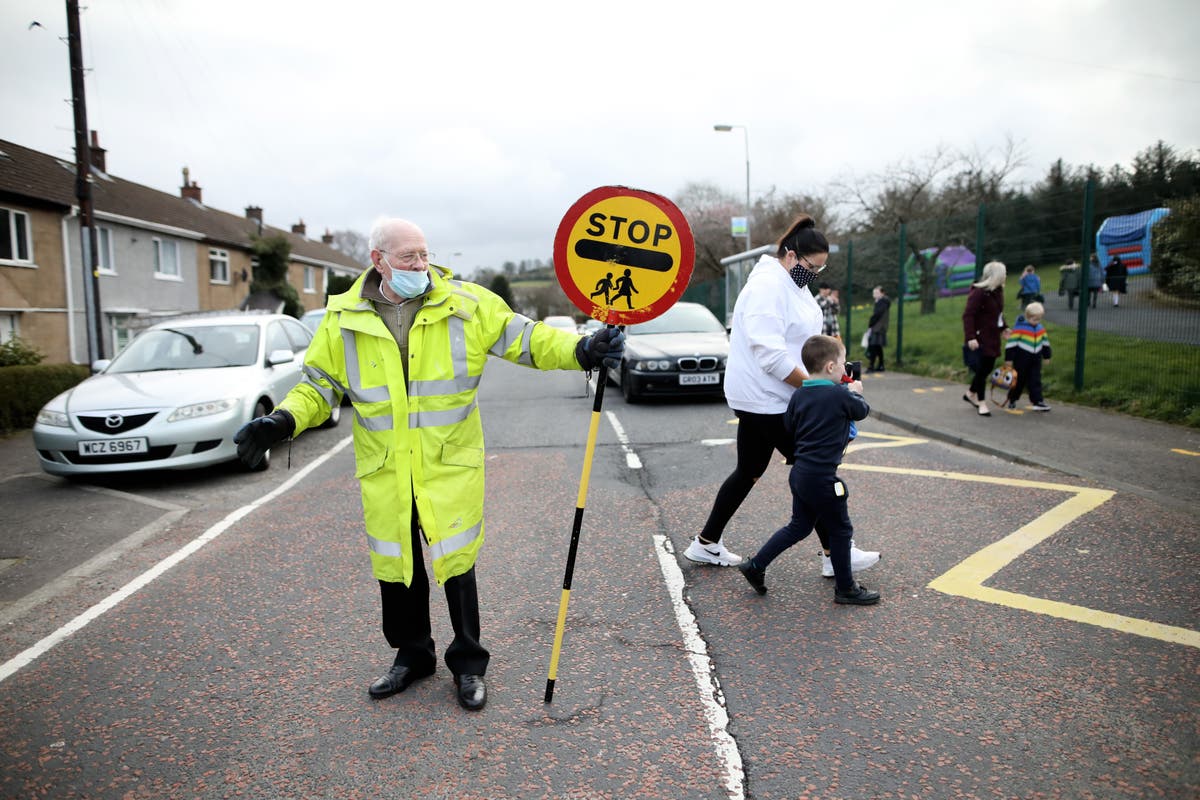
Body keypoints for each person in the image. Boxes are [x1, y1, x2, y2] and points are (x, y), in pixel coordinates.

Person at [233, 218, 625, 711]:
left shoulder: (466, 304)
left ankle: (469, 664)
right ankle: (412, 656)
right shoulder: (343, 319)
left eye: (424, 254)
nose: (421, 265)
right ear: (378, 261)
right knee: (398, 568)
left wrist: (582, 349)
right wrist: (282, 420)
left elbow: (526, 339)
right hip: (386, 469)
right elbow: (319, 385)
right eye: (408, 257)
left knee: (457, 563)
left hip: (447, 465)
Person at [683, 214, 880, 578]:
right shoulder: (767, 288)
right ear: (790, 256)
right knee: (817, 471)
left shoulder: (792, 283)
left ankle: (706, 543)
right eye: (811, 266)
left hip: (767, 397)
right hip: (767, 397)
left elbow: (804, 338)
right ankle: (835, 554)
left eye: (821, 269)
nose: (814, 274)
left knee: (749, 471)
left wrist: (832, 362)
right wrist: (820, 389)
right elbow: (770, 353)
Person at [736, 335, 880, 605]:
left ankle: (755, 565)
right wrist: (856, 391)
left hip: (800, 473)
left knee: (799, 526)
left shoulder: (800, 394)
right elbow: (861, 410)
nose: (844, 370)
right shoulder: (840, 394)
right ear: (829, 367)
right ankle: (846, 588)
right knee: (840, 531)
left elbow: (789, 426)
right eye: (841, 365)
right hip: (823, 477)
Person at [962, 261, 1008, 417]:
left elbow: (998, 314)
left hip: (993, 336)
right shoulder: (979, 292)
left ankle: (970, 393)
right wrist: (971, 337)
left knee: (987, 368)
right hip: (980, 337)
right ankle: (981, 402)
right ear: (996, 276)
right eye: (1003, 273)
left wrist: (1004, 328)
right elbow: (968, 315)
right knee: (982, 371)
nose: (1006, 276)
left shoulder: (998, 292)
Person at [1003, 301, 1052, 412]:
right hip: (1021, 360)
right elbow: (1011, 344)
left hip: (1035, 360)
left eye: (1039, 319)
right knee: (1019, 381)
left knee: (1035, 379)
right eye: (1034, 319)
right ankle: (1012, 399)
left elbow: (1045, 343)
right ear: (1027, 317)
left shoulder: (1040, 329)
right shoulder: (1020, 328)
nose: (1036, 322)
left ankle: (1038, 401)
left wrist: (1047, 356)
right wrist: (1009, 359)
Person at [865, 285, 890, 373]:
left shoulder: (882, 302)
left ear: (882, 293)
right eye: (874, 293)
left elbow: (877, 315)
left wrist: (871, 323)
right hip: (879, 327)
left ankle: (872, 366)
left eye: (876, 293)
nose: (874, 295)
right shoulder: (881, 302)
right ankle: (880, 365)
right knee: (878, 347)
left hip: (878, 327)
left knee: (873, 346)